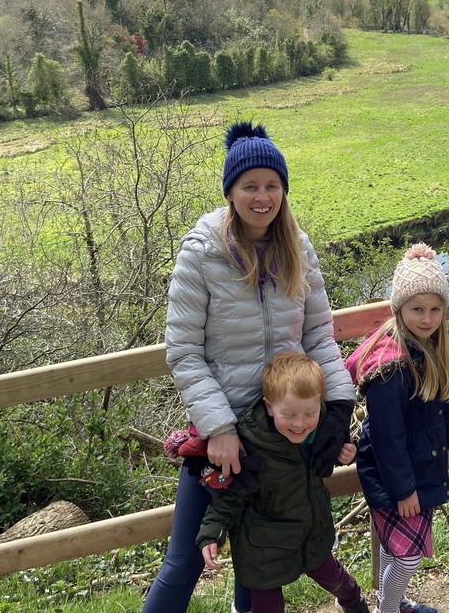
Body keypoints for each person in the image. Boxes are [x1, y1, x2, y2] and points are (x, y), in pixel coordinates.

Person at [143, 122, 357, 613]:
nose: (263, 197)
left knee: (256, 559)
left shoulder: (297, 247)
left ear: (284, 190)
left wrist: (339, 408)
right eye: (250, 186)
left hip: (282, 430)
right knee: (185, 560)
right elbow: (184, 352)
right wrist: (219, 429)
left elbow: (318, 337)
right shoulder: (202, 252)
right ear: (230, 191)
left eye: (272, 186)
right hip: (224, 435)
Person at [197, 351, 369, 613]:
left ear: (320, 403)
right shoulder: (250, 444)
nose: (300, 424)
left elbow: (322, 462)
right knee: (269, 606)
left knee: (339, 582)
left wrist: (345, 455)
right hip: (263, 550)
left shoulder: (322, 428)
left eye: (309, 413)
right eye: (289, 414)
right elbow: (230, 495)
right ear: (269, 407)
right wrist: (212, 533)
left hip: (312, 536)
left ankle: (354, 603)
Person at [347, 243, 449, 613]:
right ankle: (389, 607)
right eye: (417, 309)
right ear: (399, 309)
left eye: (435, 309)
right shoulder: (391, 367)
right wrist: (403, 491)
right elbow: (387, 438)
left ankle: (393, 603)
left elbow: (445, 400)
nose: (427, 318)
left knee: (394, 547)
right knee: (408, 557)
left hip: (422, 462)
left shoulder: (430, 347)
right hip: (394, 475)